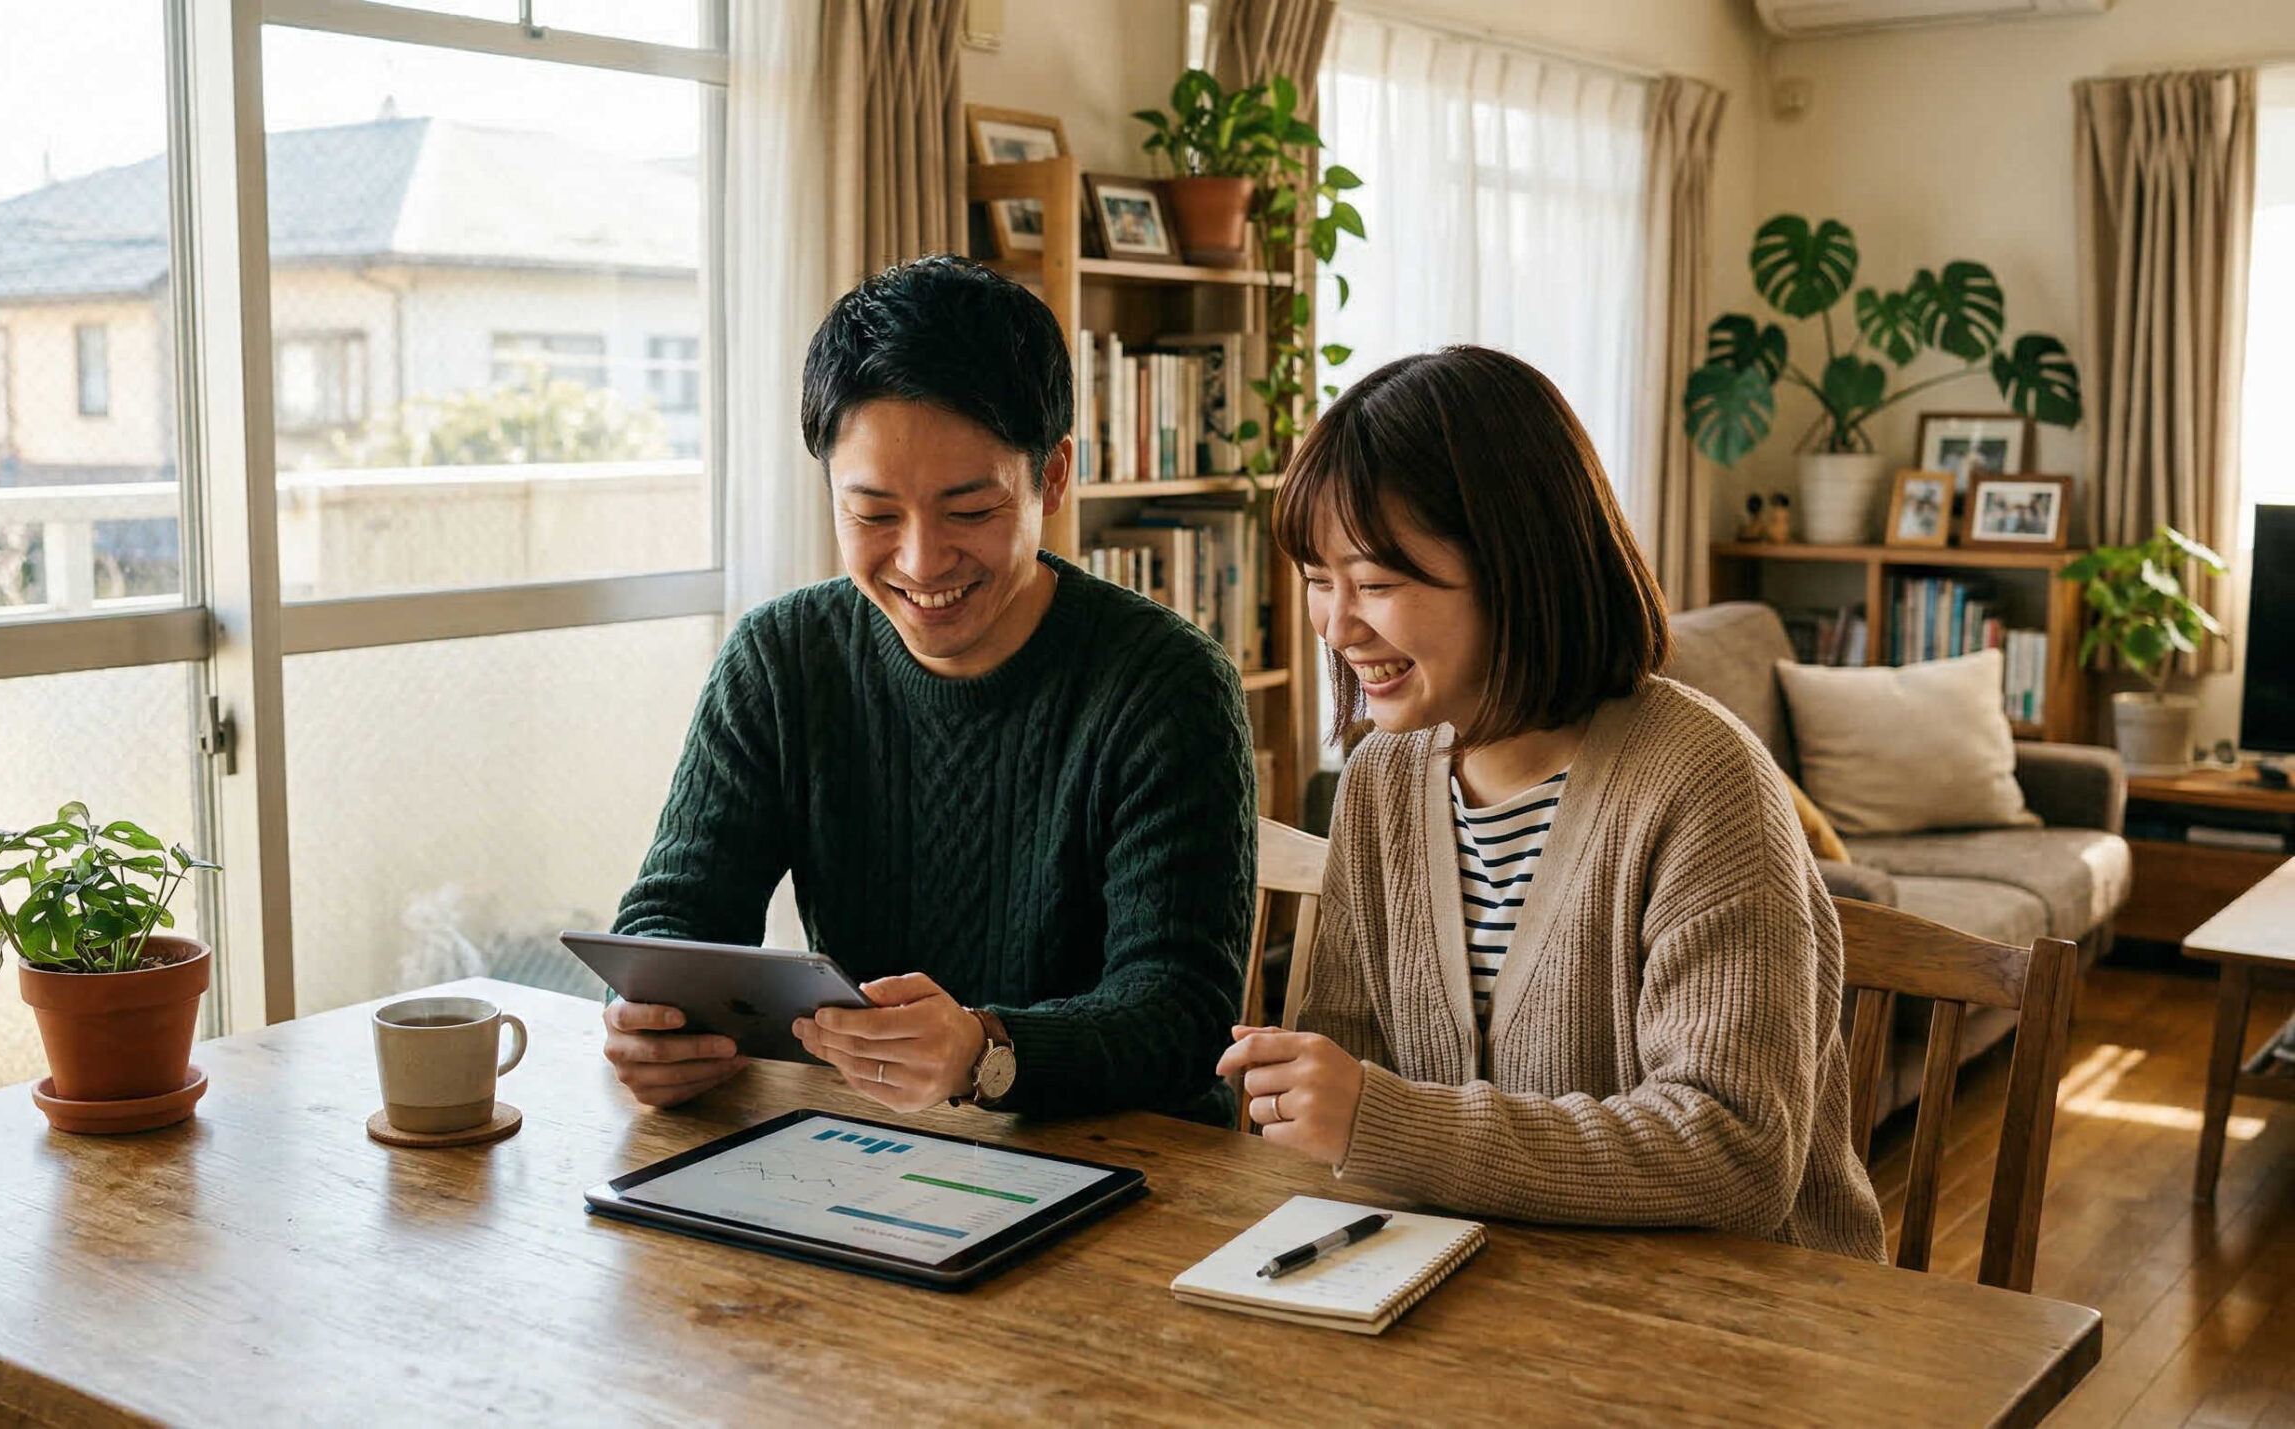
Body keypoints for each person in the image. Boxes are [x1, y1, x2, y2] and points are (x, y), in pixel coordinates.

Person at [1216, 346, 1884, 1260]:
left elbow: (1735, 1152)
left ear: (1517, 567)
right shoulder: (1380, 781)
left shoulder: (1703, 783)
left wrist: (1391, 1121)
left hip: (1730, 1311)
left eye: (1374, 583)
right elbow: (1348, 1079)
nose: (1337, 625)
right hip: (1478, 1286)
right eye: (1316, 580)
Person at [602, 255, 1256, 1123]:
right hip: (866, 1140)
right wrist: (646, 1020)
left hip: (1128, 1156)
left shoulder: (1166, 685)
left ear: (1053, 477)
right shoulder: (780, 659)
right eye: (874, 514)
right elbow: (676, 913)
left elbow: (1182, 1010)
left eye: (970, 511)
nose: (920, 561)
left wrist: (988, 1050)